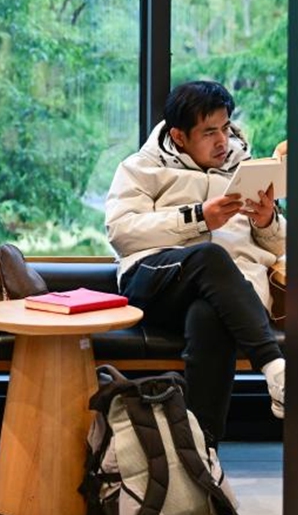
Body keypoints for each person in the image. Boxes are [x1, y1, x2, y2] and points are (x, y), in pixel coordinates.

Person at [104, 80, 286, 446]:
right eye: (209, 132)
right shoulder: (140, 168)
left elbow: (279, 244)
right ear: (179, 136)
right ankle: (276, 368)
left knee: (208, 316)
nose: (222, 142)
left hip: (226, 294)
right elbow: (122, 232)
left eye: (225, 128)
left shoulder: (245, 167)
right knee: (208, 254)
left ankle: (203, 452)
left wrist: (266, 221)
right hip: (155, 280)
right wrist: (198, 218)